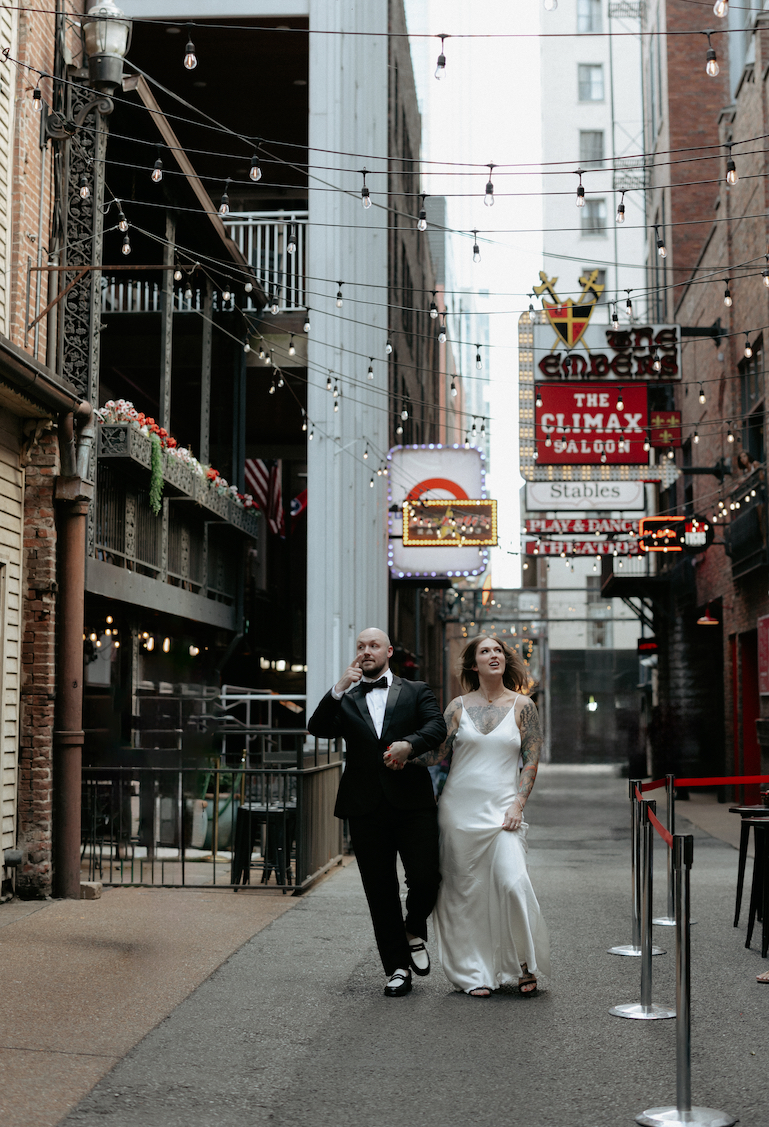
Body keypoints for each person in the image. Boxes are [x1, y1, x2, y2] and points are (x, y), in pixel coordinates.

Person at [307, 628, 447, 998]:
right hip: (365, 807)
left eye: (373, 646)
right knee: (380, 890)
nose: (366, 651)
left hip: (413, 804)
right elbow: (317, 728)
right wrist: (338, 688)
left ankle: (413, 928)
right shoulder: (348, 699)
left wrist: (408, 745)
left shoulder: (416, 690)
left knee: (426, 878)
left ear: (388, 651)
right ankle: (397, 968)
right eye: (360, 647)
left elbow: (437, 726)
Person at [421, 634, 550, 997]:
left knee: (512, 882)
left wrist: (518, 804)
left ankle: (524, 964)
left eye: (498, 651)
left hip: (503, 812)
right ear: (473, 664)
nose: (493, 655)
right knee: (465, 893)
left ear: (505, 661)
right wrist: (399, 753)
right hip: (458, 812)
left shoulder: (524, 706)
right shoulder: (457, 707)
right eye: (485, 651)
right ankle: (473, 972)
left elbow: (531, 760)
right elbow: (436, 755)